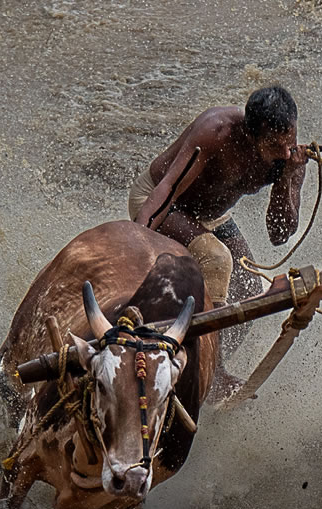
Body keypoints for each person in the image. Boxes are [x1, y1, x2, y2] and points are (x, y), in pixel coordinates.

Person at [128, 85, 309, 401]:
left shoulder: (289, 158)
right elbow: (167, 188)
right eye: (273, 145)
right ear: (250, 135)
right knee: (217, 259)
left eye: (289, 140)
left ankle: (198, 358)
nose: (284, 151)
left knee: (251, 291)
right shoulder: (216, 131)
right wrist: (135, 240)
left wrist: (287, 179)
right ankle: (215, 372)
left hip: (209, 215)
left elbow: (279, 234)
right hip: (163, 201)